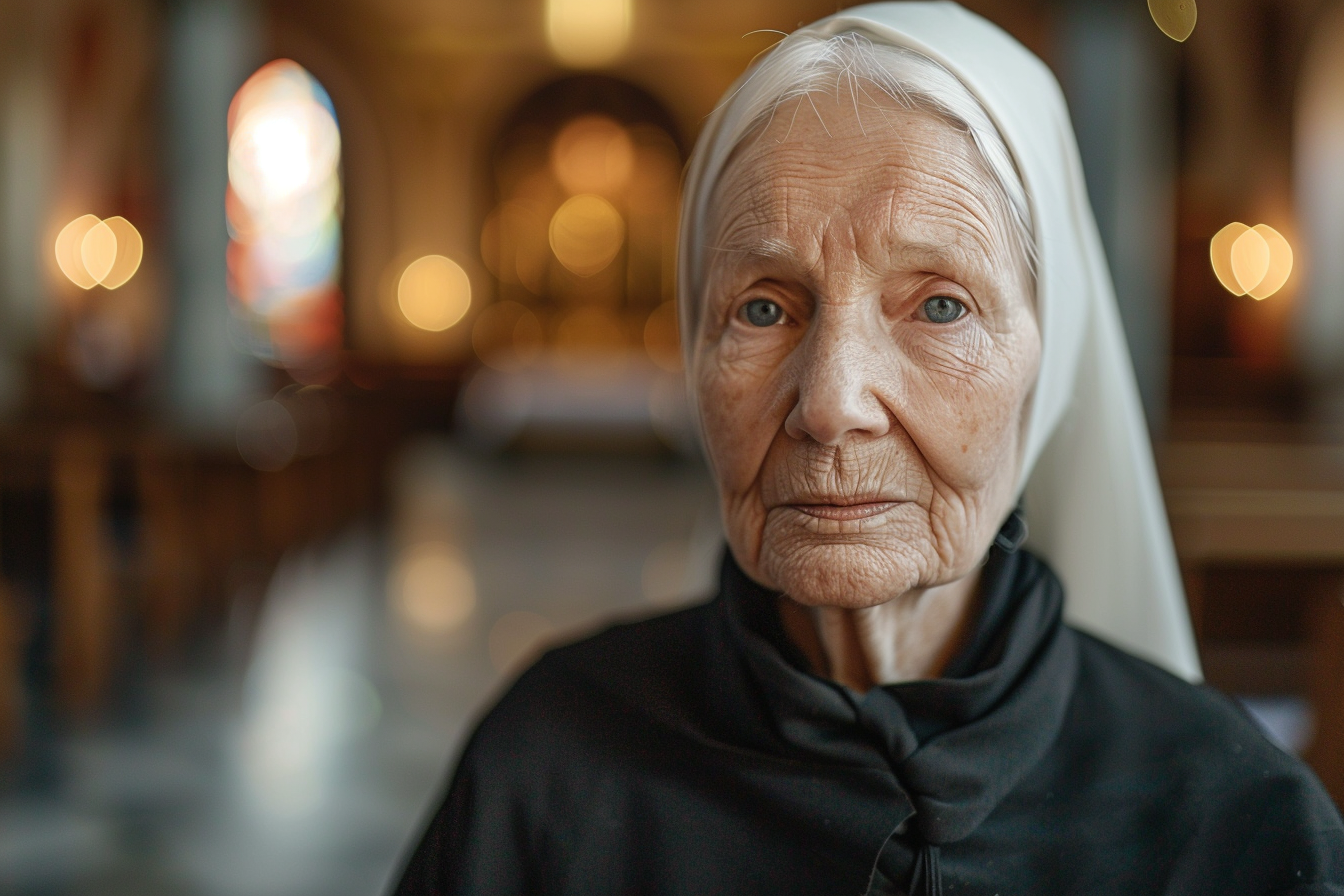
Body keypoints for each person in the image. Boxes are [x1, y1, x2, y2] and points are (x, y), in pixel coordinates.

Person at [392, 4, 1344, 894]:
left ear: (1047, 364)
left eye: (940, 305)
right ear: (695, 349)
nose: (832, 405)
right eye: (763, 309)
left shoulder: (1234, 817)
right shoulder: (544, 764)